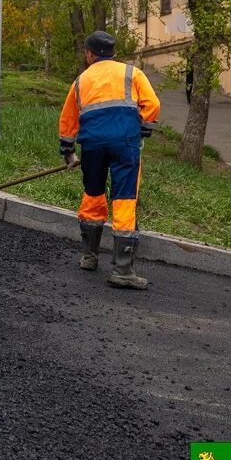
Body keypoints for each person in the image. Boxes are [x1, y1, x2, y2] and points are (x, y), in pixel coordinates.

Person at [59, 30, 161, 289]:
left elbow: (68, 120)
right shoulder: (131, 73)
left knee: (93, 195)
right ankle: (122, 270)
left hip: (92, 146)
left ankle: (89, 257)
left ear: (90, 53)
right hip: (125, 144)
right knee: (124, 199)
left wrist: (68, 152)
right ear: (112, 52)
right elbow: (153, 105)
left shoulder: (81, 81)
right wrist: (144, 129)